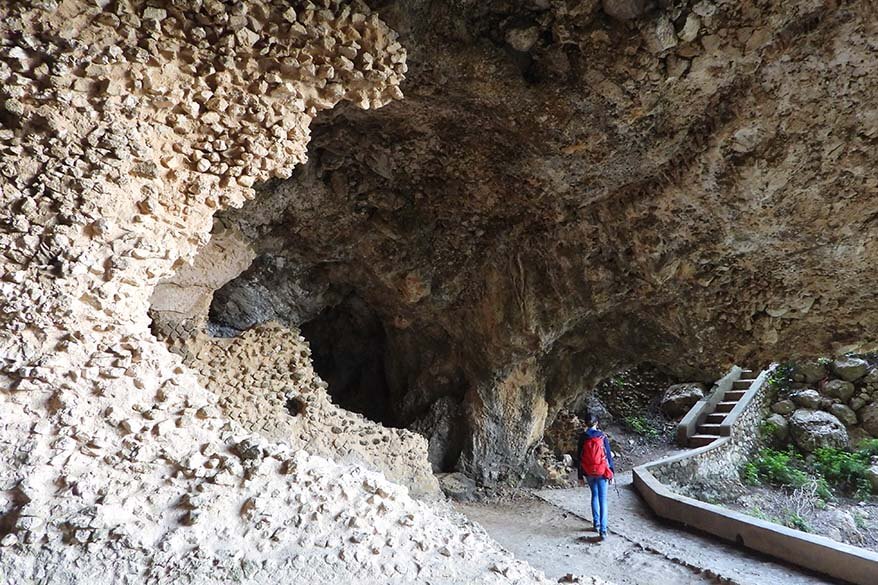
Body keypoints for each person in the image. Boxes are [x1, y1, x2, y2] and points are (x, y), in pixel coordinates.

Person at [576, 414, 614, 539]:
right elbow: (608, 456)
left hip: (588, 472)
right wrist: (611, 473)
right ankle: (603, 530)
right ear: (596, 423)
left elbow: (579, 458)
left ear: (585, 423)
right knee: (603, 500)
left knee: (594, 495)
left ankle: (596, 524)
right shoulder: (602, 437)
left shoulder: (583, 437)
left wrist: (580, 476)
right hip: (602, 471)